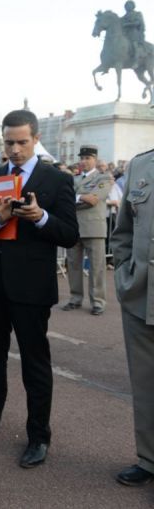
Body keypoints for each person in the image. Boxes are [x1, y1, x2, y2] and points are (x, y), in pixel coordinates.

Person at [0, 110, 78, 470]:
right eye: (9, 142)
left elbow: (69, 234)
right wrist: (0, 219)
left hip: (31, 287)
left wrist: (39, 217)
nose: (14, 149)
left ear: (36, 139)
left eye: (22, 142)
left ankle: (38, 435)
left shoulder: (55, 180)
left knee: (34, 363)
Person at [109, 146, 154, 487]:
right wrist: (124, 275)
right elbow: (123, 230)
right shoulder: (141, 164)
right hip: (141, 295)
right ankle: (149, 459)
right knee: (145, 384)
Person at [63, 146, 112, 315]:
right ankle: (75, 298)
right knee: (73, 266)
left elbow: (93, 200)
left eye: (88, 158)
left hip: (94, 228)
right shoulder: (73, 179)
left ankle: (98, 302)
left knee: (97, 267)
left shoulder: (104, 177)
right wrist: (82, 196)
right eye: (82, 158)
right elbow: (65, 199)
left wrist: (77, 197)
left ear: (95, 160)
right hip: (74, 227)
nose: (83, 162)